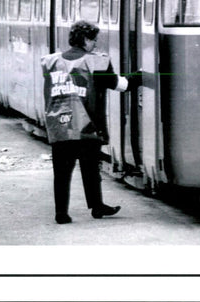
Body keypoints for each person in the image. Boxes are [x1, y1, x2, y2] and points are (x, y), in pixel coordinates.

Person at [40, 20, 136, 224]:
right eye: (93, 40)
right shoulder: (96, 63)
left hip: (60, 127)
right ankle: (97, 206)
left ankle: (61, 213)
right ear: (84, 39)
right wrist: (142, 76)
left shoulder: (51, 62)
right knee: (90, 168)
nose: (95, 44)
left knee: (61, 173)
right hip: (86, 127)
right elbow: (120, 85)